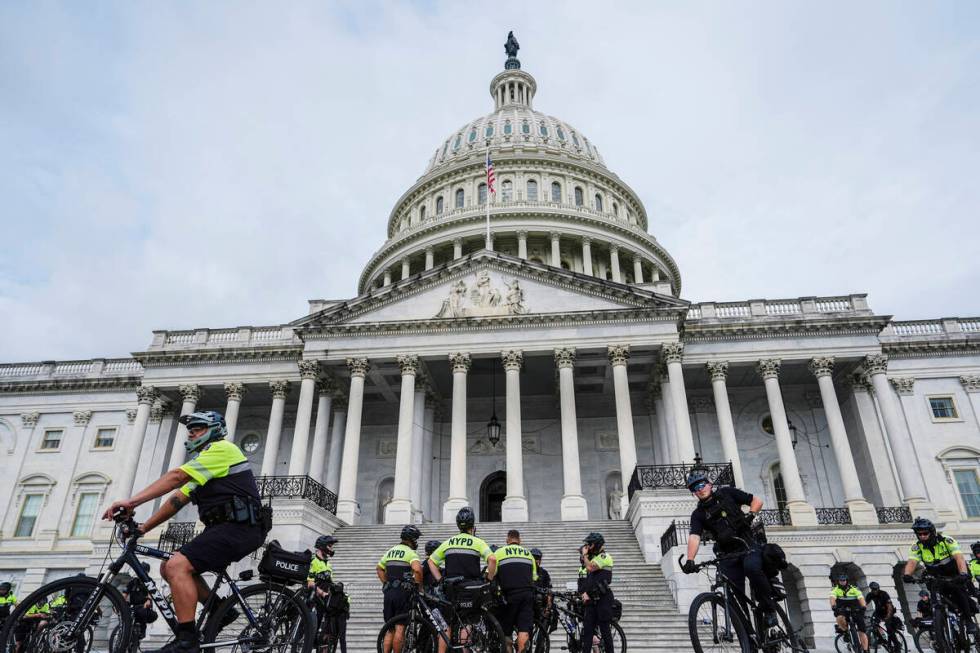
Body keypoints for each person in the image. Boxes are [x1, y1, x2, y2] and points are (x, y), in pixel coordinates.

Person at [102, 410, 266, 653]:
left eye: (198, 427)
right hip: (226, 528)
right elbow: (177, 499)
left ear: (214, 431)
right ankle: (219, 610)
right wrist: (144, 527)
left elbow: (176, 477)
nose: (191, 432)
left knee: (178, 565)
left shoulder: (222, 450)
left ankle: (187, 641)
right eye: (190, 428)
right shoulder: (205, 466)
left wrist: (131, 502)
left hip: (241, 527)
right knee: (167, 565)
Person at [681, 470, 775, 625]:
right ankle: (747, 635)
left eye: (702, 484)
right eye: (695, 488)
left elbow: (756, 501)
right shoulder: (698, 514)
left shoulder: (727, 493)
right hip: (726, 553)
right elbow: (694, 536)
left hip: (747, 545)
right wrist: (690, 559)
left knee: (752, 568)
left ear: (709, 484)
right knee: (731, 596)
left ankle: (769, 608)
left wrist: (750, 515)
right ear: (693, 493)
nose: (700, 489)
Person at [428, 507, 497, 653]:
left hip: (451, 590)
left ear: (458, 525)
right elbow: (492, 559)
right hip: (471, 590)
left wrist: (440, 579)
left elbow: (431, 561)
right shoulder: (477, 542)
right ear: (473, 526)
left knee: (445, 625)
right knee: (467, 623)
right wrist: (489, 578)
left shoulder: (449, 542)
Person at [902, 517, 976, 635]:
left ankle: (969, 621)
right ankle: (940, 627)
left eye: (925, 533)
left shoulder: (946, 541)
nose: (922, 536)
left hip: (954, 573)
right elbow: (912, 562)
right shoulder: (917, 546)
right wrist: (907, 574)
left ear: (932, 532)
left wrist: (963, 573)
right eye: (919, 534)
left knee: (959, 592)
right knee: (934, 599)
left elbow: (959, 558)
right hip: (936, 576)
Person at [378, 525, 423, 653]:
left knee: (390, 629)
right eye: (416, 539)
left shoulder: (390, 551)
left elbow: (379, 568)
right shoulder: (410, 553)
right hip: (402, 593)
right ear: (411, 539)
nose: (416, 542)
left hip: (389, 593)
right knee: (400, 628)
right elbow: (418, 570)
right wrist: (418, 585)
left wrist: (386, 582)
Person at [491, 530, 537, 653]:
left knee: (506, 631)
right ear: (519, 540)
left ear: (507, 540)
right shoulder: (528, 554)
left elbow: (491, 575)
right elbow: (534, 578)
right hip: (527, 595)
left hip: (509, 596)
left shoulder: (499, 552)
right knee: (523, 629)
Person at [579, 532, 615, 653]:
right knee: (587, 633)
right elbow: (589, 578)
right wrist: (585, 593)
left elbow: (590, 567)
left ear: (595, 544)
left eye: (589, 544)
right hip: (592, 600)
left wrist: (585, 555)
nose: (588, 547)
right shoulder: (595, 558)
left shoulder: (605, 557)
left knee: (605, 632)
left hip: (603, 599)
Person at [311, 535, 348, 653]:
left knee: (326, 631)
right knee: (313, 628)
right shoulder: (313, 560)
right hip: (314, 600)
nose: (332, 548)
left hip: (325, 602)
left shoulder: (328, 564)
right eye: (330, 546)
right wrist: (322, 593)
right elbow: (309, 583)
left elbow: (329, 582)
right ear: (322, 546)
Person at [124, 564, 158, 652]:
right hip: (133, 606)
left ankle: (139, 635)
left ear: (147, 572)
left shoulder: (150, 581)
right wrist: (121, 602)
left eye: (144, 571)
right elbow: (125, 594)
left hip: (143, 607)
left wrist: (148, 601)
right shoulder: (132, 582)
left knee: (142, 616)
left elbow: (150, 594)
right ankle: (123, 635)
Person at [831, 573, 868, 652]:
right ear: (838, 581)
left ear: (846, 581)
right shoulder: (835, 589)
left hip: (855, 609)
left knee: (862, 631)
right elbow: (832, 598)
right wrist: (833, 606)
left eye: (844, 580)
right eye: (841, 580)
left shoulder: (854, 588)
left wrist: (863, 606)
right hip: (843, 610)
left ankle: (865, 650)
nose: (842, 582)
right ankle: (845, 632)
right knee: (839, 617)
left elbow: (861, 598)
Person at [865, 581, 898, 647]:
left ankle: (897, 645)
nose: (875, 591)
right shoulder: (870, 594)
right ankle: (881, 638)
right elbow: (864, 604)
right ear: (871, 589)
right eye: (873, 589)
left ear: (878, 588)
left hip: (888, 611)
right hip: (878, 611)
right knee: (873, 623)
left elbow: (889, 606)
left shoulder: (884, 594)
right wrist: (860, 610)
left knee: (889, 628)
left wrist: (888, 617)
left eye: (876, 589)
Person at [530, 548, 554, 634]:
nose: (536, 561)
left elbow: (549, 590)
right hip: (529, 603)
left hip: (541, 603)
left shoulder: (544, 573)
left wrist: (548, 607)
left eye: (537, 559)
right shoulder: (525, 571)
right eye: (534, 558)